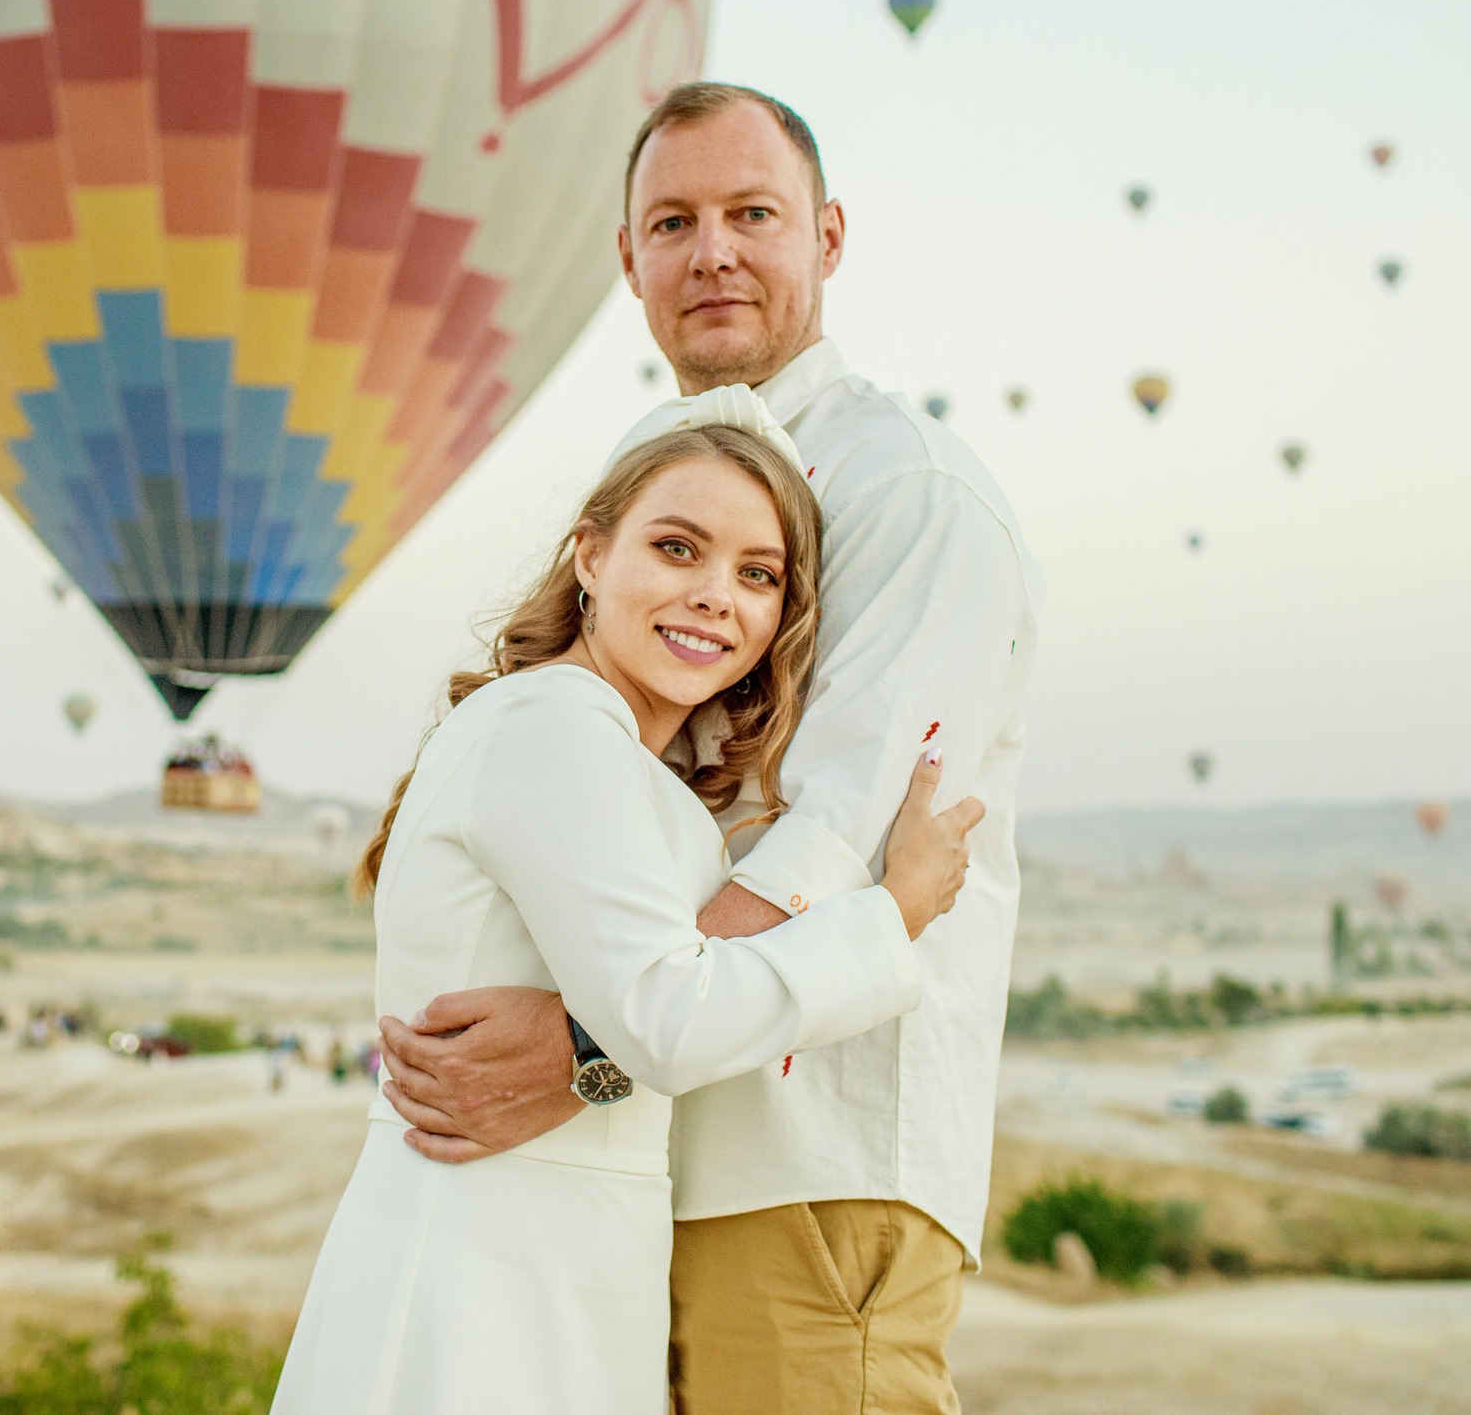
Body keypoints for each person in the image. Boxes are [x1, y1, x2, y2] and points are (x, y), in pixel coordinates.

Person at [378, 83, 1042, 1414]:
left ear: (829, 236)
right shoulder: (659, 477)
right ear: (627, 259)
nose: (715, 250)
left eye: (754, 213)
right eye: (673, 220)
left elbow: (837, 836)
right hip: (647, 1152)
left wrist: (590, 1046)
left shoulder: (904, 487)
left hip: (810, 1152)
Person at [269, 409, 983, 1414]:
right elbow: (669, 1019)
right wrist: (894, 912)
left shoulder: (593, 747)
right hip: (491, 1266)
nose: (712, 596)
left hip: (553, 1251)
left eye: (757, 574)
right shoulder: (555, 726)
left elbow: (630, 1027)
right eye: (676, 547)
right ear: (589, 556)